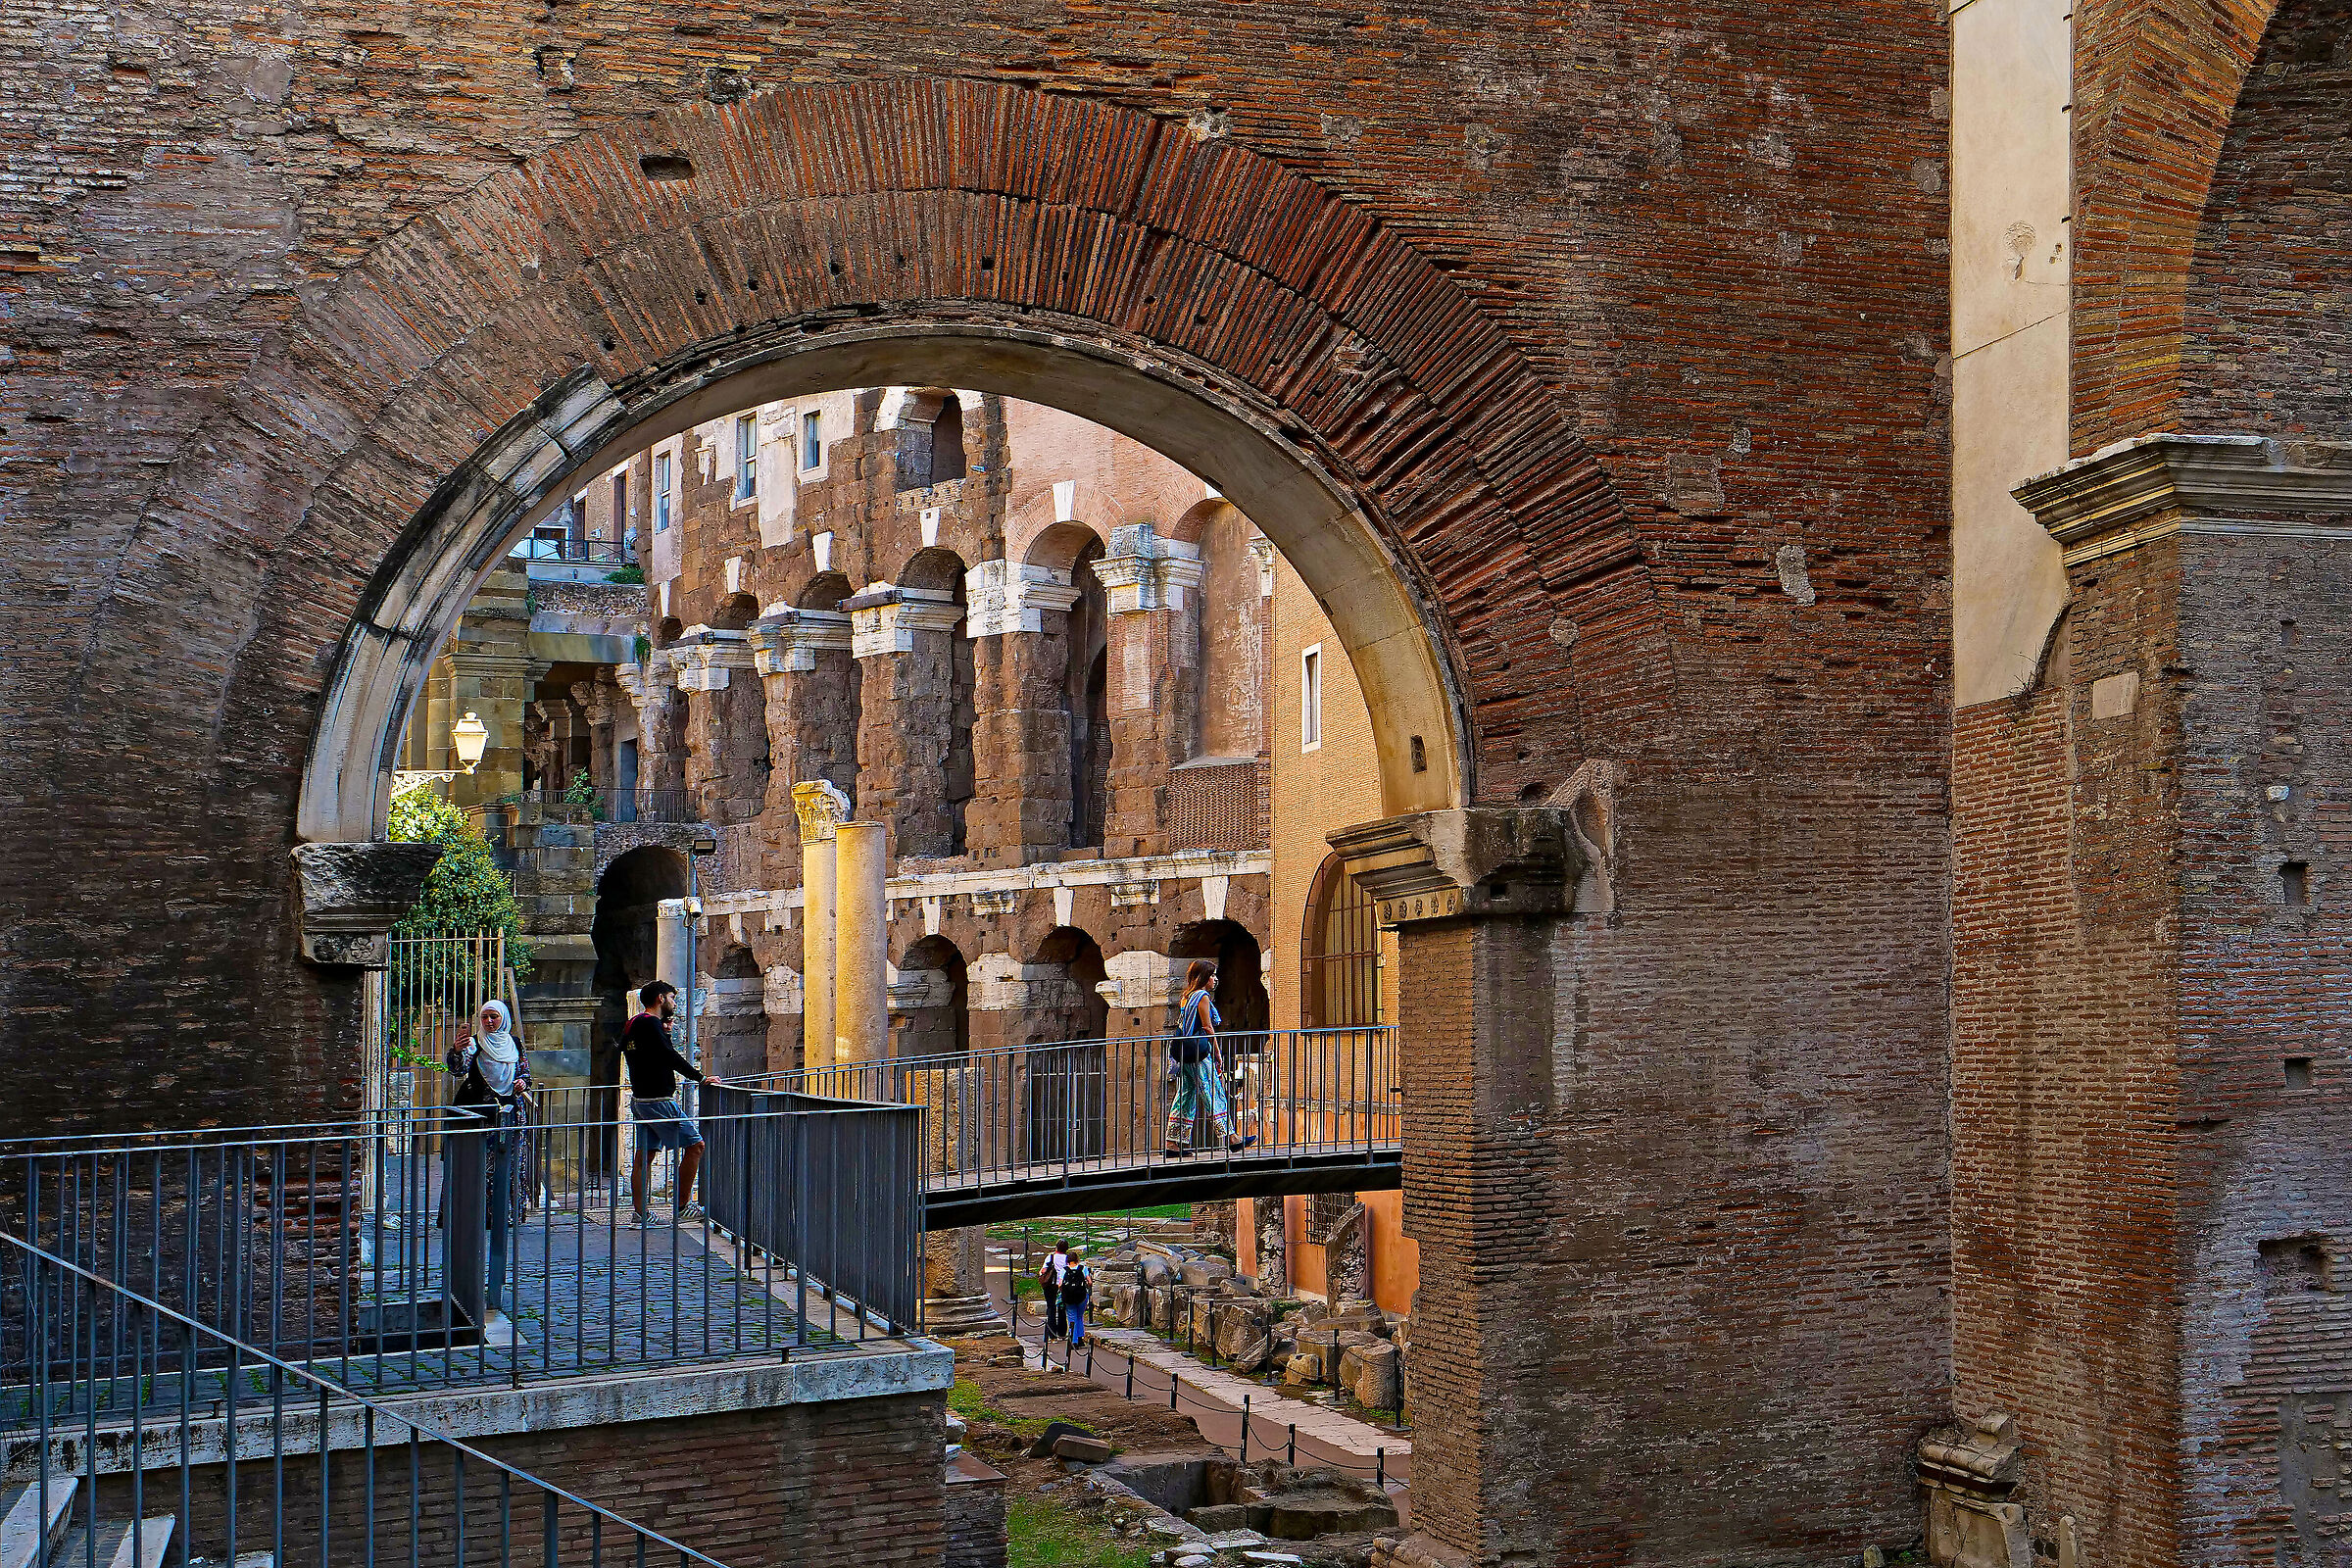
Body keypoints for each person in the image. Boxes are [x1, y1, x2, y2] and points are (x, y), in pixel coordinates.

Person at [444, 999, 530, 1314]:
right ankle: (473, 1212)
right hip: (478, 1113)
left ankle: (506, 1213)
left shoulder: (514, 1044)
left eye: (494, 1017)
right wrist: (456, 1050)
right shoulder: (474, 1044)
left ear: (503, 1018)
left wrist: (522, 1083)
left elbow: (526, 1073)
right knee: (476, 1166)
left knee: (508, 1165)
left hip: (510, 1113)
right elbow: (458, 1069)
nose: (490, 1022)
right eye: (485, 1017)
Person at [620, 980, 723, 1227]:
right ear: (660, 998)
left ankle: (640, 1214)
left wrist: (664, 1034)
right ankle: (682, 1206)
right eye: (671, 998)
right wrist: (701, 1077)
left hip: (641, 1099)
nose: (674, 1003)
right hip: (658, 1099)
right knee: (696, 1146)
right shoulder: (650, 1023)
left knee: (645, 1155)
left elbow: (636, 1051)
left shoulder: (634, 1022)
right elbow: (669, 1056)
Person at [1162, 960, 1255, 1156]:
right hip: (1198, 1053)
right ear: (1203, 977)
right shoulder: (1202, 997)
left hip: (1183, 1052)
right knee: (1213, 1091)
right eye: (1212, 975)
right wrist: (1217, 1052)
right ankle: (1232, 1138)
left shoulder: (1186, 996)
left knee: (1185, 1095)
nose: (1215, 979)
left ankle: (1172, 1143)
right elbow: (1207, 1027)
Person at [1038, 1240, 1070, 1342]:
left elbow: (1044, 1270)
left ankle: (1052, 1336)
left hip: (1050, 1285)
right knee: (1062, 1308)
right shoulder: (1068, 1258)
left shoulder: (1050, 1257)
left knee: (1051, 1308)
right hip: (1063, 1285)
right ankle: (1062, 1333)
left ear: (1056, 1247)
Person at [1060, 1245, 1093, 1347]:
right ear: (1077, 1259)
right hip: (1081, 1295)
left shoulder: (1064, 1270)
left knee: (1071, 1317)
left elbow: (1060, 1284)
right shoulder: (1083, 1268)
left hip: (1068, 1297)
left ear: (1067, 1260)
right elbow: (1090, 1282)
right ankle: (1080, 1338)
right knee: (1079, 1316)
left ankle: (1073, 1341)